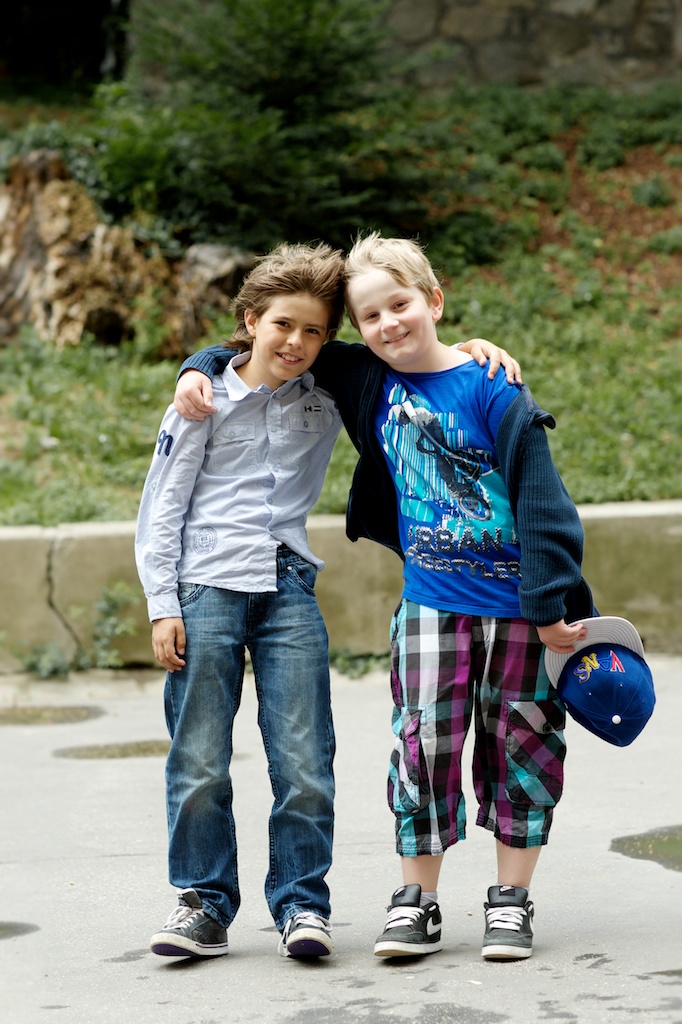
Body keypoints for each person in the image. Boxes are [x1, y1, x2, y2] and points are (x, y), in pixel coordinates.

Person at [174, 235, 586, 962]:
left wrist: (551, 602)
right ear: (357, 330)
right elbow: (269, 343)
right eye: (370, 316)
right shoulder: (366, 379)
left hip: (520, 611)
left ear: (434, 301)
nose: (388, 323)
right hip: (429, 603)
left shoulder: (495, 388)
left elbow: (542, 501)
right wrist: (198, 367)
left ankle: (510, 900)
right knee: (422, 748)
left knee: (522, 746)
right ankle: (417, 901)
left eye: (400, 305)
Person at [135, 241, 348, 961]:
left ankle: (302, 903)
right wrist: (163, 604)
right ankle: (203, 904)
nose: (296, 342)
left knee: (305, 759)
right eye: (283, 324)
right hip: (206, 586)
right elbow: (162, 508)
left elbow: (405, 362)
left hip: (289, 588)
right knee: (199, 759)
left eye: (314, 330)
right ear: (252, 320)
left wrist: (469, 349)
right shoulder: (202, 401)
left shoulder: (325, 398)